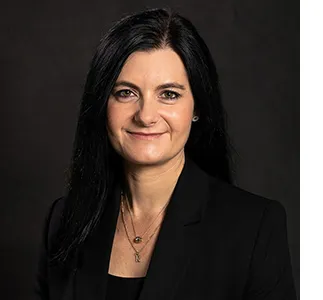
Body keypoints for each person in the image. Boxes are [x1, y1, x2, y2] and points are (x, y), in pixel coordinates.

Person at [33, 8, 297, 300]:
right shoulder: (64, 221)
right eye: (126, 92)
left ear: (197, 108)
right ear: (102, 103)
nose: (146, 116)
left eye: (169, 94)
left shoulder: (254, 228)